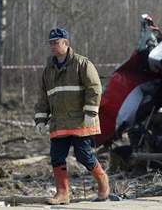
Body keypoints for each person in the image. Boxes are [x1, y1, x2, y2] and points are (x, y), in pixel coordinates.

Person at [34, 28, 109, 204]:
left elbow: (94, 88)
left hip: (80, 121)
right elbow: (43, 97)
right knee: (57, 156)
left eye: (56, 42)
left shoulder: (82, 64)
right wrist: (40, 120)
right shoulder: (48, 71)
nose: (53, 46)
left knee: (83, 155)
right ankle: (62, 194)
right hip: (59, 122)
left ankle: (103, 181)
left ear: (66, 43)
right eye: (51, 43)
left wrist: (91, 111)